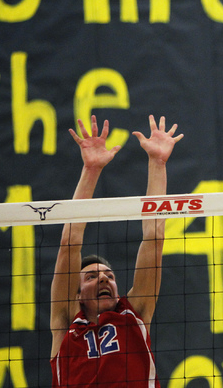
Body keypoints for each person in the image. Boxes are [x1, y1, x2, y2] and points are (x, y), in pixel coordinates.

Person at [50, 114, 183, 387]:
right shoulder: (66, 323)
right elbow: (70, 242)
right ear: (76, 296)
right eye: (91, 277)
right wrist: (91, 170)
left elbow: (154, 238)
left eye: (109, 276)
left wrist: (157, 163)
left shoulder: (134, 313)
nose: (103, 279)